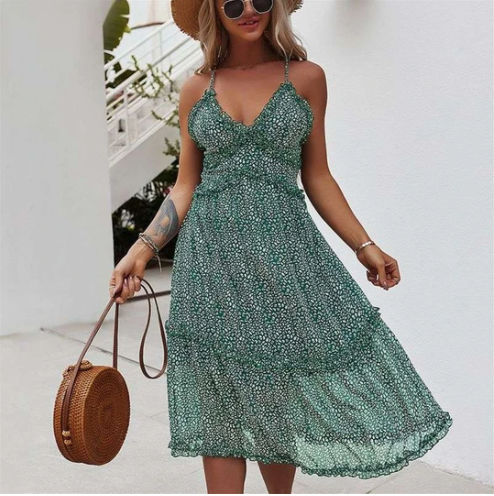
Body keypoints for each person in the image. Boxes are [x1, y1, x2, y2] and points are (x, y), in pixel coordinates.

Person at [109, 0, 453, 493]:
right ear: (214, 11)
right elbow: (186, 186)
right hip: (211, 262)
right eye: (233, 3)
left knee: (277, 394)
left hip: (284, 258)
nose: (248, 10)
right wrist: (139, 251)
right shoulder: (196, 88)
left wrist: (364, 245)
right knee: (217, 403)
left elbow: (318, 176)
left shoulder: (307, 78)